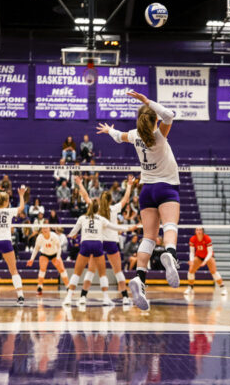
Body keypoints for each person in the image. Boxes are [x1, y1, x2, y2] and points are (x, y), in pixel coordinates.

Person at [97, 90, 181, 311]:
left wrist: (109, 130)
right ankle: (171, 254)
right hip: (166, 187)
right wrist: (146, 101)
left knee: (149, 238)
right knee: (170, 225)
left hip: (146, 191)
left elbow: (118, 137)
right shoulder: (160, 135)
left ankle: (140, 279)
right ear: (154, 119)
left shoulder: (135, 135)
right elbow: (170, 115)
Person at [75, 175, 136, 306]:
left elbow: (85, 196)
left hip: (99, 243)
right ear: (110, 200)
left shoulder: (95, 209)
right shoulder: (114, 208)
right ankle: (125, 297)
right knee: (118, 271)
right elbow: (126, 199)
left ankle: (83, 297)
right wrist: (129, 185)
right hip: (112, 242)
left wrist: (80, 184)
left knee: (91, 271)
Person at [63, 200, 130, 306]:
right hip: (98, 245)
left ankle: (69, 298)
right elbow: (115, 227)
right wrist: (128, 228)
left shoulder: (82, 218)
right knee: (102, 273)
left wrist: (70, 235)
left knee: (77, 273)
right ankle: (106, 298)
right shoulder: (101, 219)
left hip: (85, 244)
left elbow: (74, 232)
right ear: (97, 209)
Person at [27, 221, 69, 295]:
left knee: (62, 269)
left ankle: (68, 287)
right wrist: (31, 259)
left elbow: (59, 248)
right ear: (41, 230)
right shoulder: (40, 237)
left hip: (55, 254)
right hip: (44, 254)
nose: (45, 229)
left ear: (49, 228)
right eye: (43, 228)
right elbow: (36, 248)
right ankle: (40, 287)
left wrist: (58, 258)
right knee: (42, 268)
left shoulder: (54, 236)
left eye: (46, 228)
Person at [184, 227, 227, 296]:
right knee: (191, 270)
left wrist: (205, 261)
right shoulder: (192, 239)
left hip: (208, 256)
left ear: (203, 231)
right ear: (195, 231)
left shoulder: (207, 238)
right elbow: (192, 252)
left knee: (214, 272)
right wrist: (191, 261)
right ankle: (190, 288)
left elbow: (210, 252)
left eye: (200, 230)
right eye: (197, 230)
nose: (199, 231)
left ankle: (223, 288)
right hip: (198, 256)